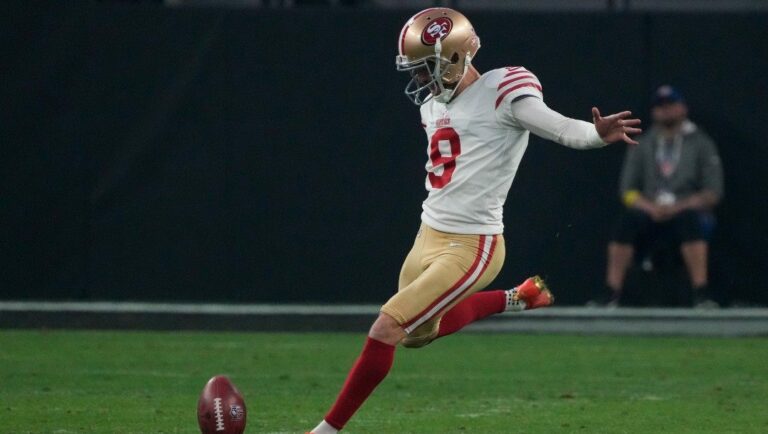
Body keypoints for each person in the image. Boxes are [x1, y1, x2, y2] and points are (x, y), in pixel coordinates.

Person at [307, 8, 641, 433]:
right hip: (428, 232)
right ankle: (518, 298)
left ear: (456, 56)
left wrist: (595, 134)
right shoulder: (432, 104)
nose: (421, 80)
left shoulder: (504, 89)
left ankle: (325, 430)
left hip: (472, 245)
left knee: (388, 325)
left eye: (426, 67)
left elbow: (559, 129)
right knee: (415, 334)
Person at [601, 85, 724, 308]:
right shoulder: (642, 144)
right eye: (660, 107)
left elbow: (713, 192)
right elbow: (626, 191)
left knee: (690, 221)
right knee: (626, 222)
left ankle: (701, 293)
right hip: (651, 211)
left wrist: (678, 207)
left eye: (670, 106)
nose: (665, 111)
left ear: (683, 108)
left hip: (685, 211)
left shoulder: (701, 143)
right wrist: (650, 208)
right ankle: (612, 293)